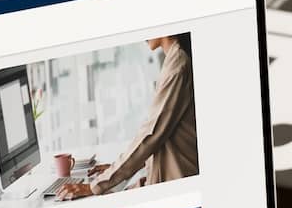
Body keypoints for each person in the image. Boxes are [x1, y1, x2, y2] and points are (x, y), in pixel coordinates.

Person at [58, 35, 196, 196]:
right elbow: (161, 142)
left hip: (178, 186)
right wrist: (112, 171)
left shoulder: (177, 66)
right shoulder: (174, 60)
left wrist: (95, 186)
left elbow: (151, 136)